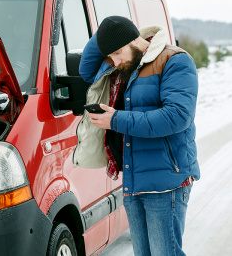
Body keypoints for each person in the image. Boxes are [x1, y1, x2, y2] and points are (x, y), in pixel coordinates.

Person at [75, 16, 200, 256]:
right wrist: (109, 30)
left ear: (134, 40)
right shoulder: (123, 65)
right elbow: (86, 69)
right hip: (134, 178)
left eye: (117, 53)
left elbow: (176, 117)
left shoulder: (174, 60)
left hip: (166, 181)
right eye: (110, 56)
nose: (115, 61)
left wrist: (115, 120)